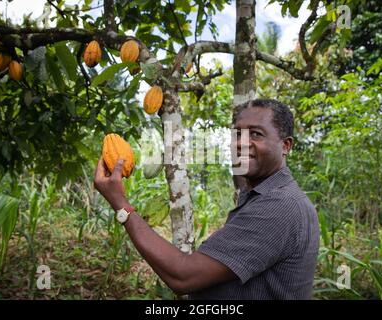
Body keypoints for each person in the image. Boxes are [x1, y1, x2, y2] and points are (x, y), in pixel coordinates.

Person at [94, 98, 319, 299]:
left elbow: (183, 276)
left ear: (286, 145)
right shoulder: (266, 196)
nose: (241, 143)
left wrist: (121, 205)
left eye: (256, 134)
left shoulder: (280, 206)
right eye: (237, 134)